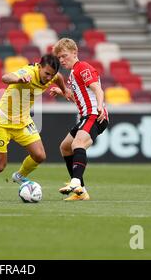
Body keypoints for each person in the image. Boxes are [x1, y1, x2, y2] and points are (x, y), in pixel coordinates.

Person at [0, 54, 70, 202]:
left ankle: (20, 176)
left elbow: (59, 77)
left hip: (23, 122)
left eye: (51, 75)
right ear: (39, 67)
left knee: (40, 156)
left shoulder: (53, 76)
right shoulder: (28, 72)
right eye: (47, 73)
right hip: (1, 122)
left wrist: (64, 90)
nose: (49, 78)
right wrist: (18, 79)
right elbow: (5, 77)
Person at [51, 38, 109, 201]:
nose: (61, 60)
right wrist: (62, 91)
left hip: (94, 114)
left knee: (78, 144)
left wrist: (99, 106)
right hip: (86, 115)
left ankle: (76, 183)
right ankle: (80, 192)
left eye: (64, 56)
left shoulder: (82, 67)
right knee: (65, 147)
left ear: (74, 53)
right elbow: (77, 97)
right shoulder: (73, 73)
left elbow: (97, 88)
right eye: (59, 58)